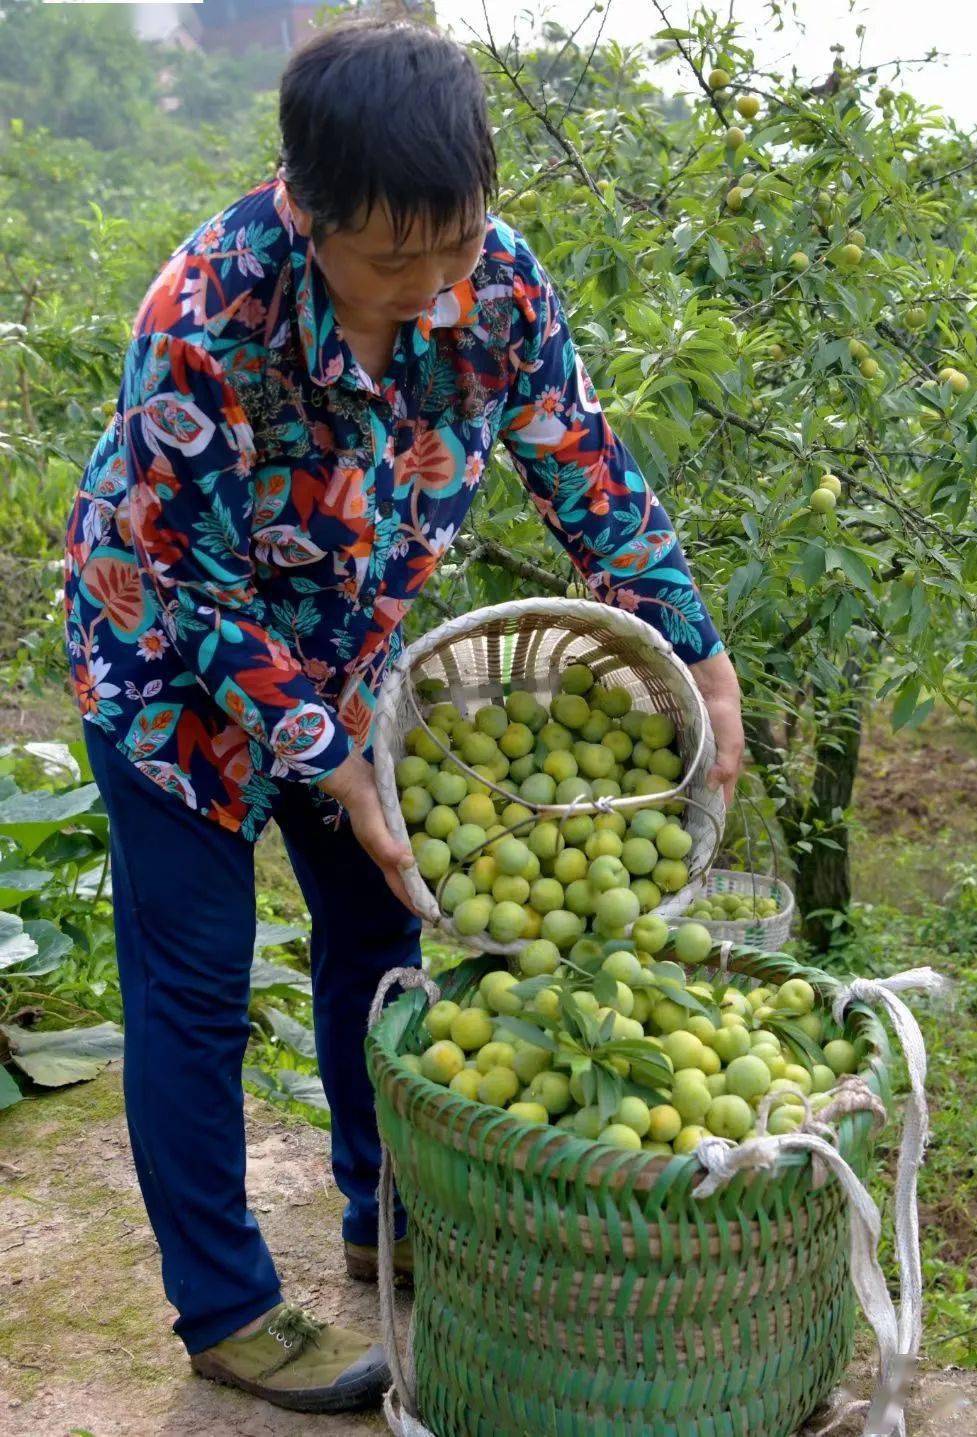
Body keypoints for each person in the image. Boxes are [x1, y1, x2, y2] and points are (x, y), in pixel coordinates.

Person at [62, 14, 745, 1417]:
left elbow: (584, 464)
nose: (432, 284)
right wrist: (320, 755)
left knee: (380, 939)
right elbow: (189, 587)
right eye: (392, 258)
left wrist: (700, 649)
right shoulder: (205, 318)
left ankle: (385, 1208)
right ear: (304, 205)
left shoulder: (493, 285)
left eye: (455, 242)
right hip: (176, 670)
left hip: (356, 655)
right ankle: (230, 1307)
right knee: (193, 986)